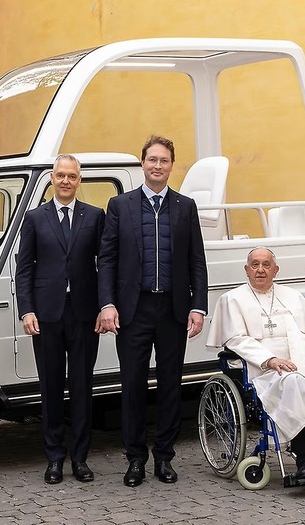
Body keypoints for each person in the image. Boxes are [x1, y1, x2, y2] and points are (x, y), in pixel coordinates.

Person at [97, 135, 209, 487]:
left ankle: (164, 457)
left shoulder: (185, 207)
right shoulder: (120, 206)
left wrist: (198, 306)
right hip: (134, 310)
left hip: (173, 310)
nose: (157, 166)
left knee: (170, 385)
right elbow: (107, 260)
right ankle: (135, 459)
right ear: (142, 164)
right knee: (131, 386)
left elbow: (197, 261)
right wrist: (107, 303)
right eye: (152, 160)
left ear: (171, 165)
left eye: (164, 160)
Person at [207, 247, 305, 479]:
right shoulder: (233, 299)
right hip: (265, 372)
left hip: (304, 363)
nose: (260, 270)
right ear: (246, 270)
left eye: (266, 265)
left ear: (275, 270)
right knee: (294, 382)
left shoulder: (293, 296)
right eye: (255, 265)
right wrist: (270, 359)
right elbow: (236, 339)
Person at [15, 154, 105, 485]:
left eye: (72, 176)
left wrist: (104, 305)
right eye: (61, 175)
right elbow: (24, 267)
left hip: (84, 314)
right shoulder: (35, 218)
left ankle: (80, 458)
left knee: (82, 387)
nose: (66, 181)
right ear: (52, 179)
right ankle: (54, 458)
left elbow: (105, 264)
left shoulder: (95, 216)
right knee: (51, 388)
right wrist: (27, 309)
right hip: (47, 315)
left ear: (79, 180)